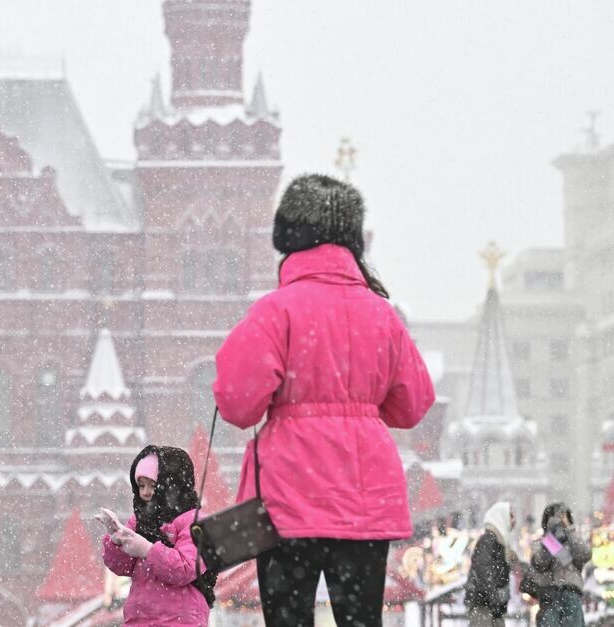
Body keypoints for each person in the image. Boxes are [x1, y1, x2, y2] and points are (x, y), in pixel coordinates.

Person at [213, 174, 436, 627]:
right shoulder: (382, 314)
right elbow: (413, 405)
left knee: (289, 620)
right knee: (361, 620)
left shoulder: (275, 312)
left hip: (288, 502)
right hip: (366, 501)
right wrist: (362, 407)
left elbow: (238, 405)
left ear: (289, 240)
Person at [100, 446, 212, 626]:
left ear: (172, 485)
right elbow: (122, 567)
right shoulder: (139, 521)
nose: (145, 492)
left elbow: (185, 570)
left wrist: (147, 549)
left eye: (153, 485)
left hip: (181, 619)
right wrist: (116, 541)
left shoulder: (193, 522)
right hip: (139, 617)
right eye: (141, 485)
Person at [529, 502, 591, 627]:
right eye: (554, 517)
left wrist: (569, 530)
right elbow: (539, 563)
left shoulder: (573, 541)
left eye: (562, 516)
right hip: (549, 596)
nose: (559, 521)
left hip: (571, 592)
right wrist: (550, 541)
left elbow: (585, 554)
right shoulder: (541, 543)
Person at [464, 502, 517, 627]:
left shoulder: (499, 543)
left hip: (491, 607)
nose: (514, 520)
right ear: (501, 517)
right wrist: (494, 600)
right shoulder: (489, 540)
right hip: (484, 607)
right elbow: (484, 573)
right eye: (511, 516)